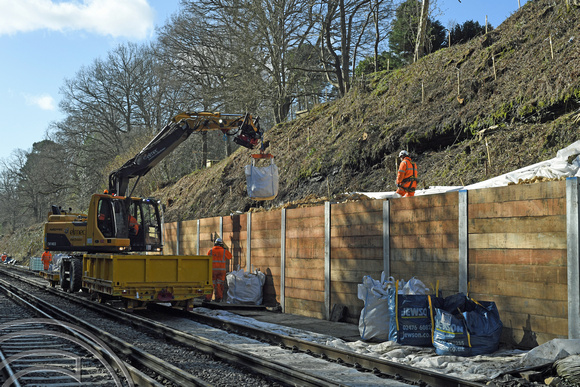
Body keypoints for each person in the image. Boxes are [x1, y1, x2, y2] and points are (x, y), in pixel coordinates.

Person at [206, 238, 232, 302]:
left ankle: (208, 298)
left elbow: (207, 259)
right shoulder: (224, 251)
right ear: (221, 244)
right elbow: (230, 257)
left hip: (212, 271)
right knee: (219, 285)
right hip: (221, 271)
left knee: (211, 285)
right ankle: (218, 298)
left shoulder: (211, 251)